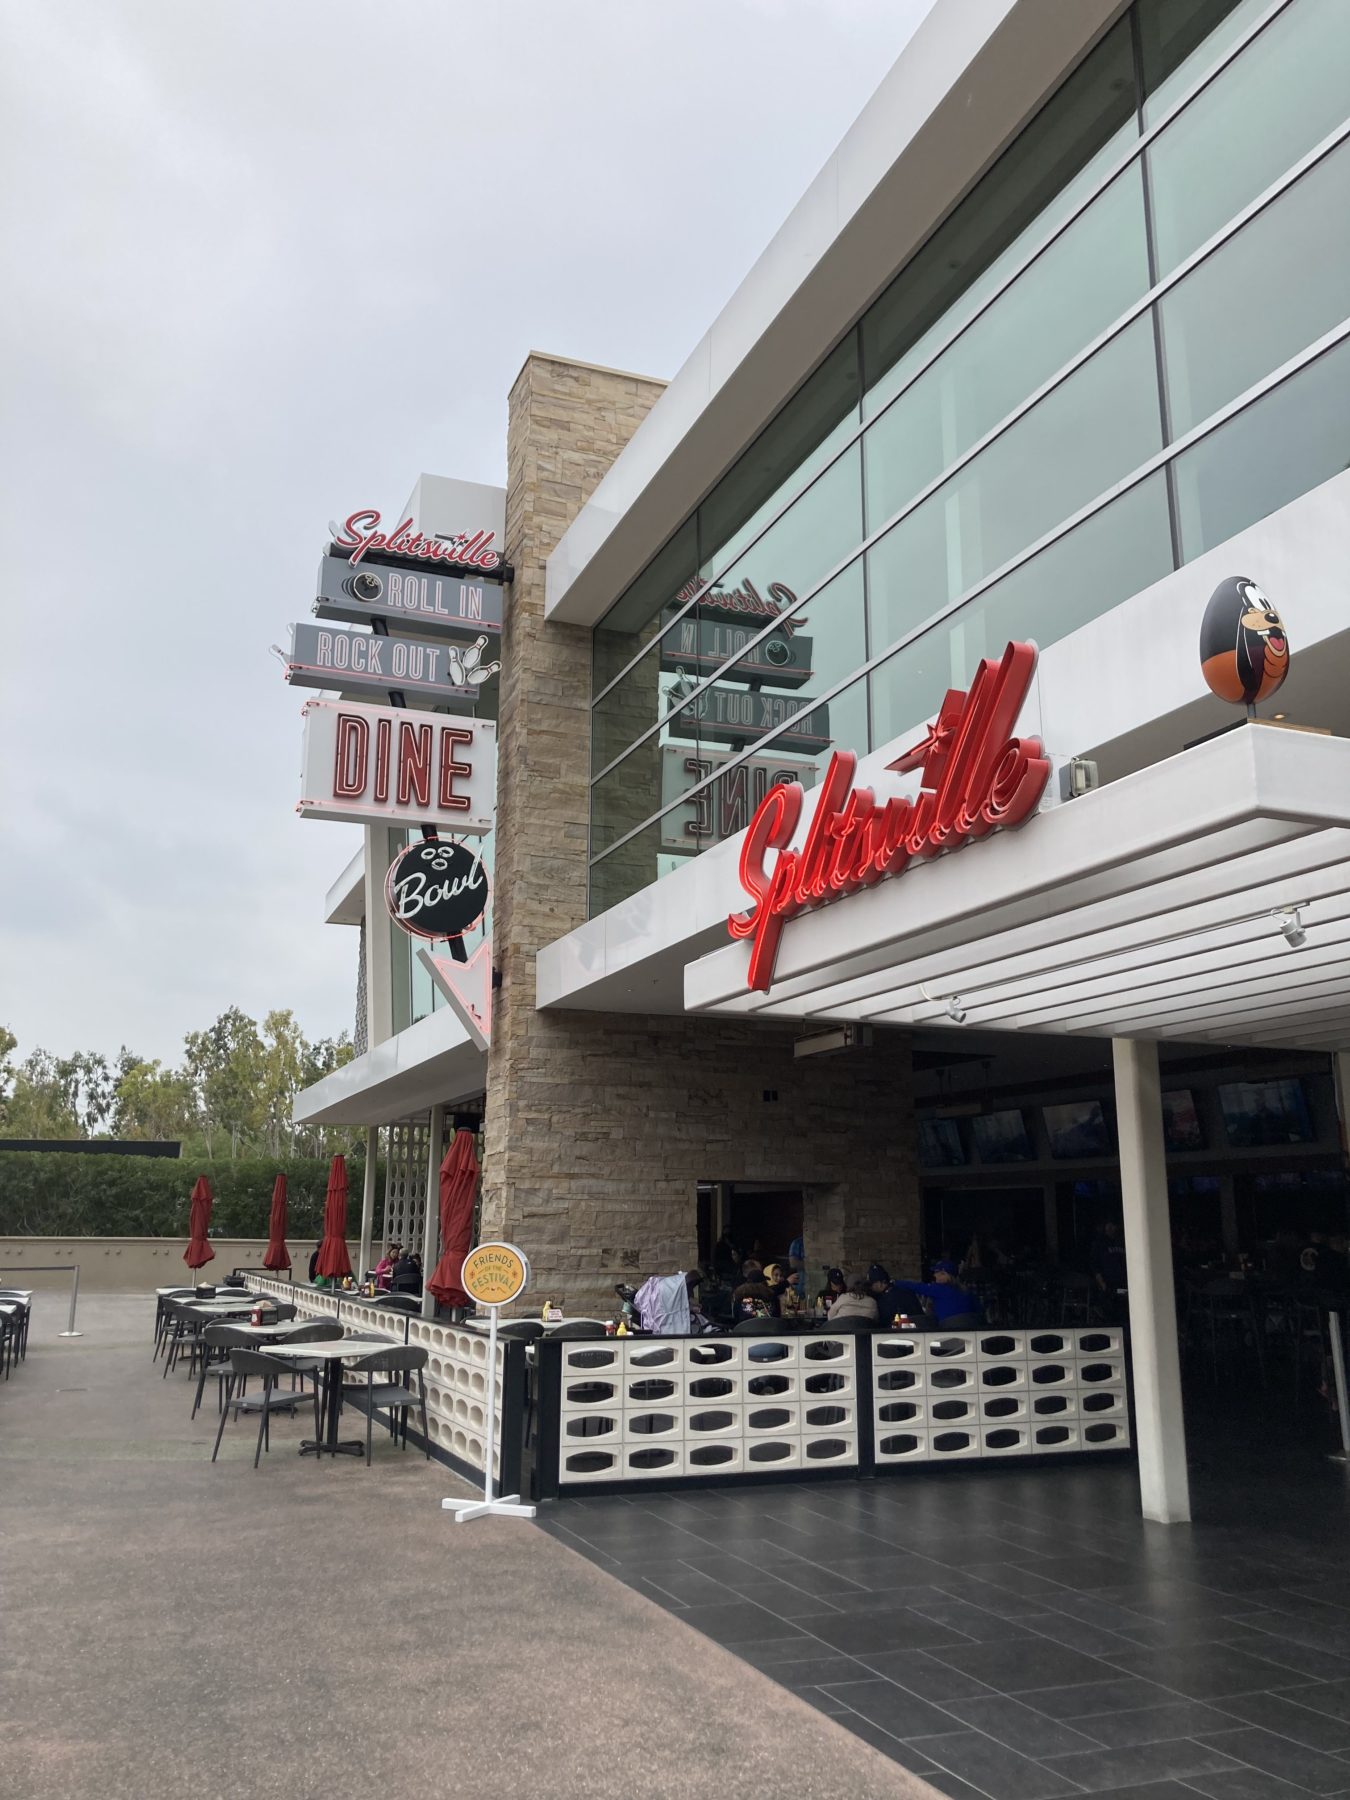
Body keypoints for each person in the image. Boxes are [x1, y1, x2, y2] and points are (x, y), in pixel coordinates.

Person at [884, 1259, 981, 1328]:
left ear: (944, 1274)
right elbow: (980, 1312)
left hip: (947, 1335)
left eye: (937, 1272)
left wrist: (895, 1282)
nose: (934, 1275)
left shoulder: (938, 1289)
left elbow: (916, 1286)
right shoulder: (967, 1291)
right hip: (971, 1335)